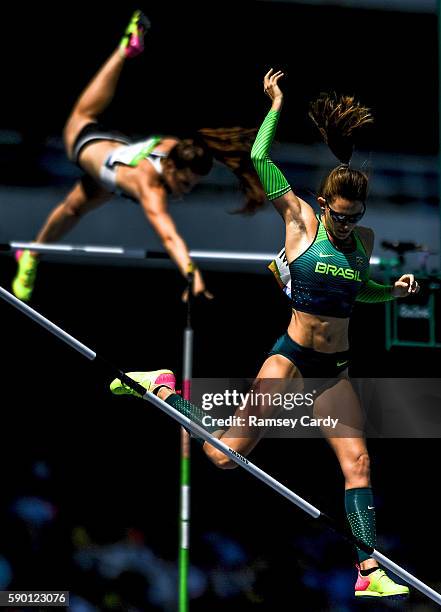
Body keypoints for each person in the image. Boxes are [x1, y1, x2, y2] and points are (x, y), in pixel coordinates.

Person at [108, 69, 419, 599]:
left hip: (333, 371)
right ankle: (164, 388)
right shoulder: (298, 219)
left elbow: (353, 293)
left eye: (355, 217)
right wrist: (276, 104)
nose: (347, 225)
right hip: (293, 358)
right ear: (325, 206)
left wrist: (390, 293)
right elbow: (258, 159)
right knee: (224, 458)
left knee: (360, 464)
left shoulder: (363, 240)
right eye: (340, 217)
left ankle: (367, 571)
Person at [12, 10, 265, 303]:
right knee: (83, 116)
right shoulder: (151, 188)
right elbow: (169, 236)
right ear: (169, 168)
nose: (184, 192)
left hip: (113, 162)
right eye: (183, 184)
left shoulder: (178, 148)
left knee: (73, 208)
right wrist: (191, 272)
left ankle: (31, 254)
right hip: (86, 143)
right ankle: (123, 50)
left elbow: (199, 152)